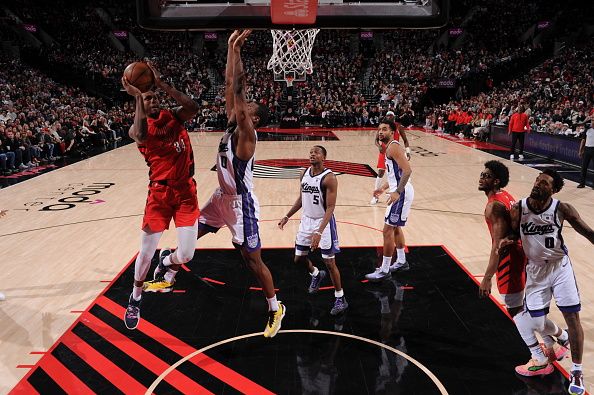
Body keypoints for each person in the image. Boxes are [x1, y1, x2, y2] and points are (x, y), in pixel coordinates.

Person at [196, 30, 285, 338]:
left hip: (241, 203)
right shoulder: (233, 123)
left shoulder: (247, 135)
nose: (236, 109)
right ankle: (167, 268)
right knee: (190, 232)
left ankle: (275, 308)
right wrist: (232, 48)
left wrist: (238, 53)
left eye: (245, 109)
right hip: (221, 197)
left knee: (252, 260)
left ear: (253, 120)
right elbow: (228, 85)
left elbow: (237, 89)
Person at [499, 169, 594, 394]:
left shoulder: (561, 209)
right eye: (537, 180)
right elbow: (514, 234)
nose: (537, 184)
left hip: (560, 268)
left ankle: (577, 371)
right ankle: (562, 339)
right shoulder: (518, 209)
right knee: (537, 322)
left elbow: (588, 232)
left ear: (554, 190)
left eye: (544, 183)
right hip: (535, 271)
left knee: (572, 317)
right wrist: (507, 240)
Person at [121, 63, 200, 330]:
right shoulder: (137, 130)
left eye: (154, 97)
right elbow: (141, 133)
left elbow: (193, 107)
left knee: (187, 254)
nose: (152, 101)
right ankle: (135, 297)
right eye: (147, 98)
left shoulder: (173, 116)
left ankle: (167, 260)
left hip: (186, 192)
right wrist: (137, 97)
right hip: (159, 193)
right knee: (144, 253)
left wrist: (162, 83)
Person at [478, 161, 568, 365]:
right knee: (527, 310)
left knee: (516, 311)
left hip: (510, 260)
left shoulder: (494, 206)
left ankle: (540, 354)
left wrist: (487, 277)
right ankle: (553, 345)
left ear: (496, 181)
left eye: (487, 175)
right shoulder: (506, 195)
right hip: (521, 255)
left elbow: (497, 245)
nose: (482, 177)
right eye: (482, 173)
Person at [278, 145, 348, 316]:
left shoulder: (329, 178)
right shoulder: (303, 173)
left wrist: (319, 232)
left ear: (324, 157)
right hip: (306, 221)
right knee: (298, 258)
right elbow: (302, 198)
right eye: (310, 152)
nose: (312, 154)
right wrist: (287, 216)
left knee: (330, 263)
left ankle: (340, 298)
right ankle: (316, 274)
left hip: (323, 222)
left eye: (316, 152)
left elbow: (331, 207)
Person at [365, 120, 414, 281]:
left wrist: (397, 192)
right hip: (399, 191)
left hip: (401, 193)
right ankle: (401, 261)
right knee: (395, 228)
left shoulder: (393, 146)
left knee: (387, 230)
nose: (380, 132)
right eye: (379, 129)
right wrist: (383, 188)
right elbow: (396, 174)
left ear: (392, 132)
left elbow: (407, 171)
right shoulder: (390, 148)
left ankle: (385, 269)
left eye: (384, 129)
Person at [370, 111, 410, 205]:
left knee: (398, 172)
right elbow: (376, 140)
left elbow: (405, 140)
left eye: (390, 115)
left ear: (393, 116)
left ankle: (396, 191)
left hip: (396, 152)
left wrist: (407, 152)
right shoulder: (382, 127)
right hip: (384, 151)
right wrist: (379, 146)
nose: (389, 117)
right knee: (381, 172)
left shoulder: (398, 127)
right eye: (387, 115)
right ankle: (375, 196)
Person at [577, 121, 594, 188]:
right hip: (587, 149)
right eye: (592, 121)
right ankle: (582, 183)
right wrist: (580, 150)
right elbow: (583, 140)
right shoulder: (587, 129)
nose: (592, 123)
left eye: (593, 121)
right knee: (584, 167)